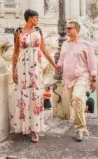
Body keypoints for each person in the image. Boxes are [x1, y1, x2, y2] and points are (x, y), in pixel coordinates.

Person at [11, 9, 58, 143]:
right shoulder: (18, 32)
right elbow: (15, 53)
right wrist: (13, 71)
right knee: (23, 96)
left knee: (36, 96)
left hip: (36, 69)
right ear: (30, 18)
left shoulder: (39, 31)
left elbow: (44, 50)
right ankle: (24, 126)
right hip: (23, 68)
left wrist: (54, 65)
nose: (38, 20)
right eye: (36, 17)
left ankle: (35, 130)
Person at [57, 21, 97, 142]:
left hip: (82, 76)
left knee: (77, 97)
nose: (67, 30)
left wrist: (94, 79)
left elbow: (92, 62)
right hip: (68, 78)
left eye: (70, 28)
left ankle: (80, 128)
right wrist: (59, 65)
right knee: (74, 102)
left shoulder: (86, 44)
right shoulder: (65, 44)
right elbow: (61, 59)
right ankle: (81, 125)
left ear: (77, 30)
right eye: (67, 28)